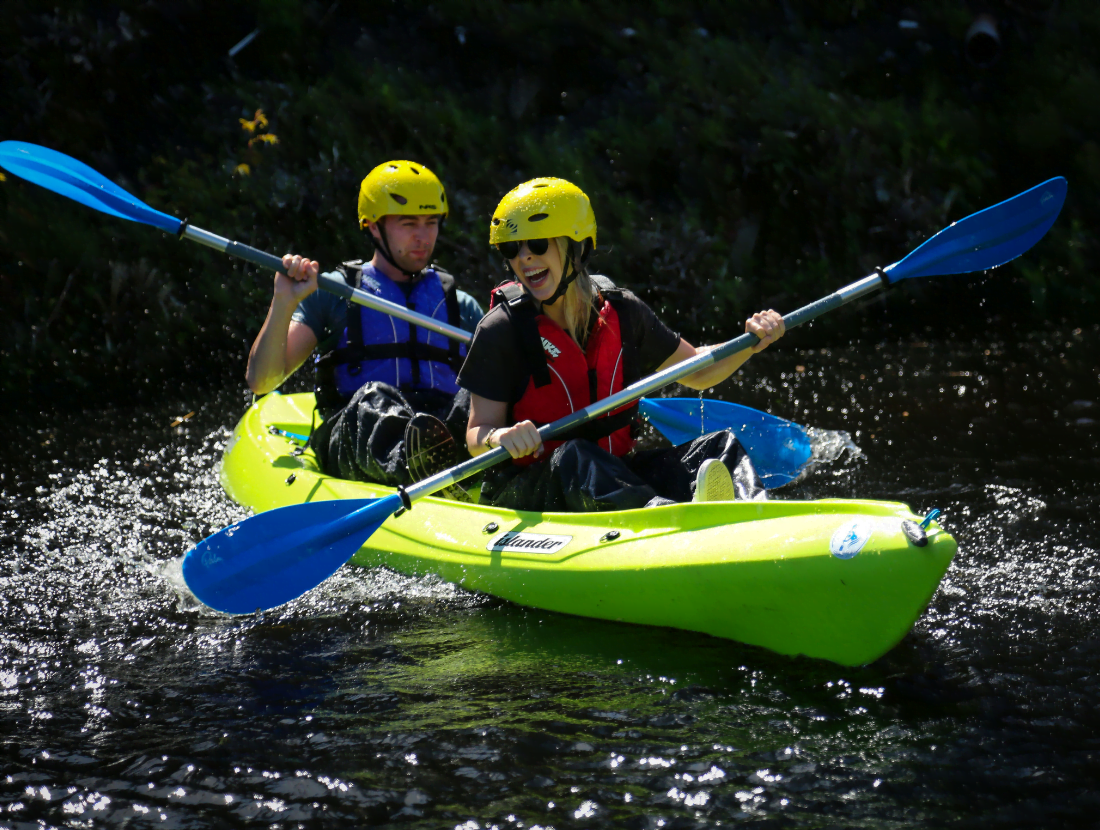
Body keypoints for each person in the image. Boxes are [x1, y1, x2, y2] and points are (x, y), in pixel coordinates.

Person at [456, 178, 785, 512]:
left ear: (578, 247)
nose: (524, 258)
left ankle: (750, 519)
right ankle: (660, 517)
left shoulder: (625, 313)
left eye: (538, 244)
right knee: (575, 455)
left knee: (720, 447)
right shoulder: (500, 330)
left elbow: (699, 371)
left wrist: (751, 343)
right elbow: (476, 433)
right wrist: (499, 437)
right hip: (533, 490)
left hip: (615, 476)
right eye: (512, 249)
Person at [245, 160, 484, 486]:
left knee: (479, 395)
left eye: (431, 222)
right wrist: (284, 301)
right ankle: (429, 474)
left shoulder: (460, 305)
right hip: (357, 435)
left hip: (438, 435)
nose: (422, 236)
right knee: (374, 399)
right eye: (408, 222)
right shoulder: (334, 293)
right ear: (373, 226)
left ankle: (464, 476)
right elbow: (262, 380)